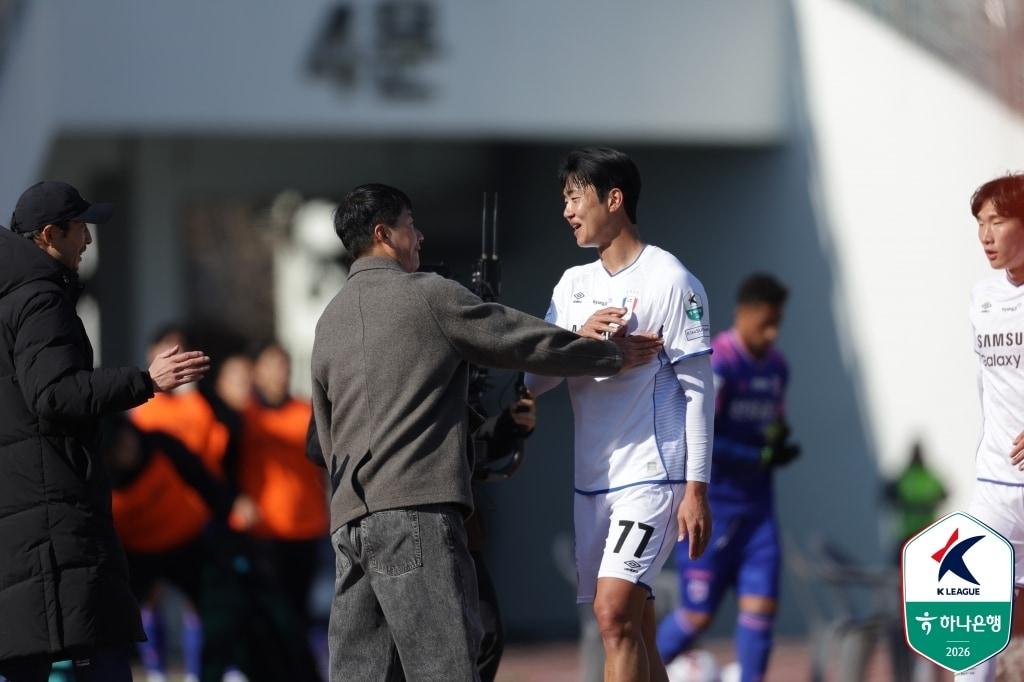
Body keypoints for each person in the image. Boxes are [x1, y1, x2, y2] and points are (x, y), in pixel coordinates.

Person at [311, 183, 660, 681]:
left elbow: (322, 434)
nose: (421, 235)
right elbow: (516, 338)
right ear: (383, 234)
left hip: (348, 523)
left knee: (361, 674)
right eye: (410, 224)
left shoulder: (330, 320)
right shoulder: (427, 294)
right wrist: (605, 352)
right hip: (415, 512)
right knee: (445, 668)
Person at [0, 181, 209, 681]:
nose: (89, 242)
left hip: (27, 517)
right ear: (50, 235)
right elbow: (54, 394)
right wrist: (145, 380)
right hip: (53, 523)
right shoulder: (38, 299)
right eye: (81, 229)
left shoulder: (11, 297)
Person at [526, 147, 715, 682]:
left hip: (653, 477)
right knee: (633, 626)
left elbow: (701, 392)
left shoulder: (672, 280)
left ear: (614, 199)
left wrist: (697, 490)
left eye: (576, 197)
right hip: (593, 481)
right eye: (563, 199)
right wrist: (579, 340)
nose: (567, 210)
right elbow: (533, 381)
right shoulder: (571, 287)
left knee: (612, 615)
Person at [654, 273, 796, 682]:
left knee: (761, 612)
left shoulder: (778, 368)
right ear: (743, 314)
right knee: (697, 615)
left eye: (777, 323)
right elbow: (702, 434)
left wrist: (781, 441)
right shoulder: (720, 362)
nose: (771, 332)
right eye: (765, 322)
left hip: (758, 517)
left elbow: (775, 424)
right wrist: (757, 454)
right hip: (714, 511)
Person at [961, 173, 1024, 682]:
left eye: (998, 222)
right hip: (995, 488)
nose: (986, 235)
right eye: (981, 223)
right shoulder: (982, 298)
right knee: (972, 627)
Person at [236, 341, 329, 681]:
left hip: (306, 530)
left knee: (299, 616)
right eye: (272, 365)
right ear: (257, 371)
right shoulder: (244, 416)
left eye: (284, 365)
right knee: (273, 618)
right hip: (263, 534)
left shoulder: (306, 411)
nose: (280, 372)